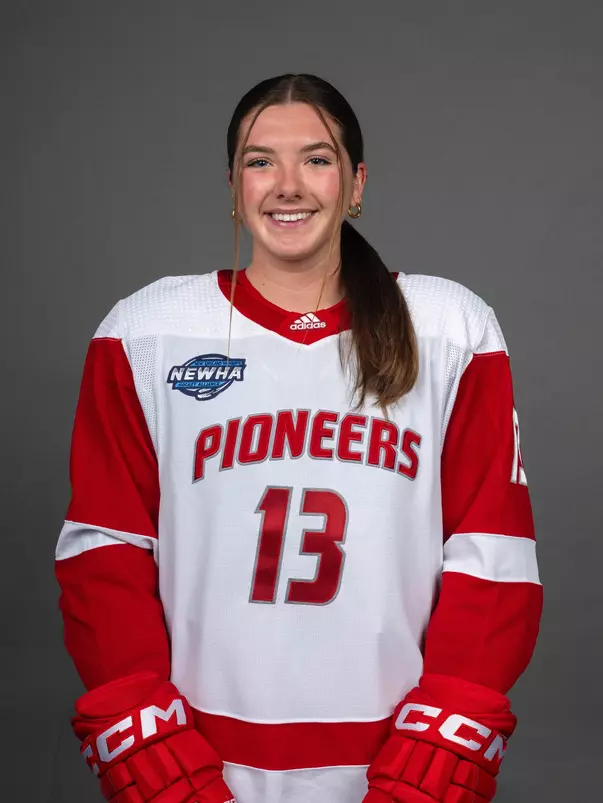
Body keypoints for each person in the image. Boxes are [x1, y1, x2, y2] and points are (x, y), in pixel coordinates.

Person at [55, 73, 543, 803]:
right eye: (260, 162)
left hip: (397, 753)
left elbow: (491, 555)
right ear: (232, 185)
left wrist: (438, 744)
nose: (287, 185)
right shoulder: (146, 330)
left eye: (316, 160)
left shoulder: (448, 326)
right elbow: (106, 551)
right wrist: (150, 742)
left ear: (355, 184)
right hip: (199, 755)